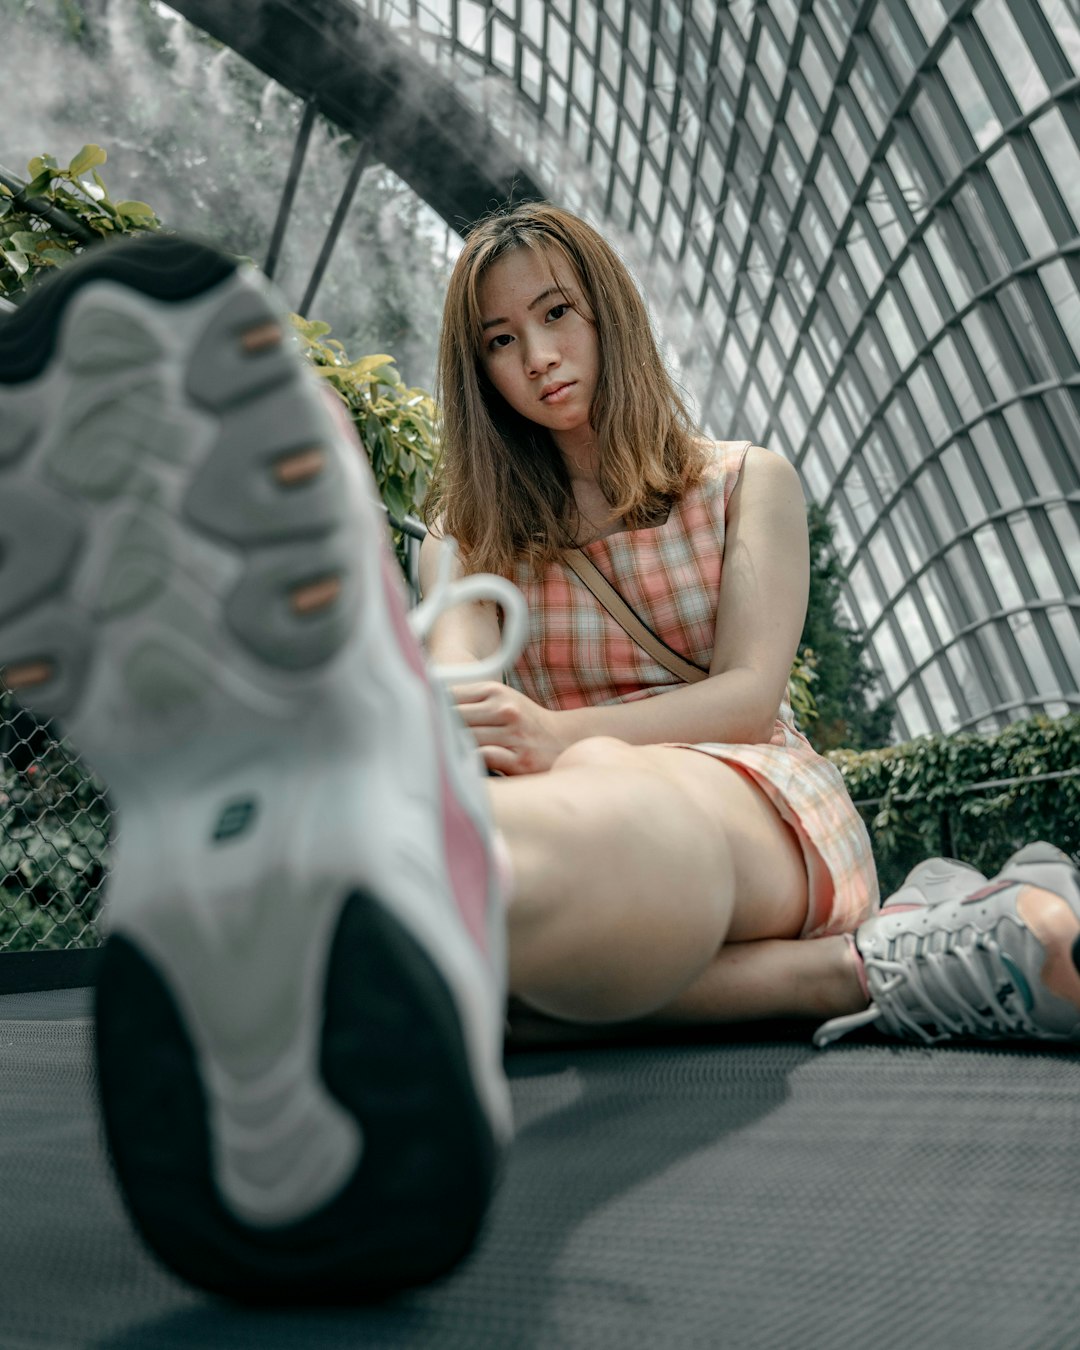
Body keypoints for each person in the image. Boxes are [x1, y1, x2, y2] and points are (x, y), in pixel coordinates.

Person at [0, 212, 1077, 1306]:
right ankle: (419, 878)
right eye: (500, 342)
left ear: (608, 310)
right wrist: (447, 709)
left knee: (602, 792)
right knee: (484, 951)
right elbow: (466, 684)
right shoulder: (468, 532)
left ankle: (384, 855)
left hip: (755, 801)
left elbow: (751, 698)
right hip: (571, 840)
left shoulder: (747, 480)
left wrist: (563, 734)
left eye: (556, 315)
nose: (537, 360)